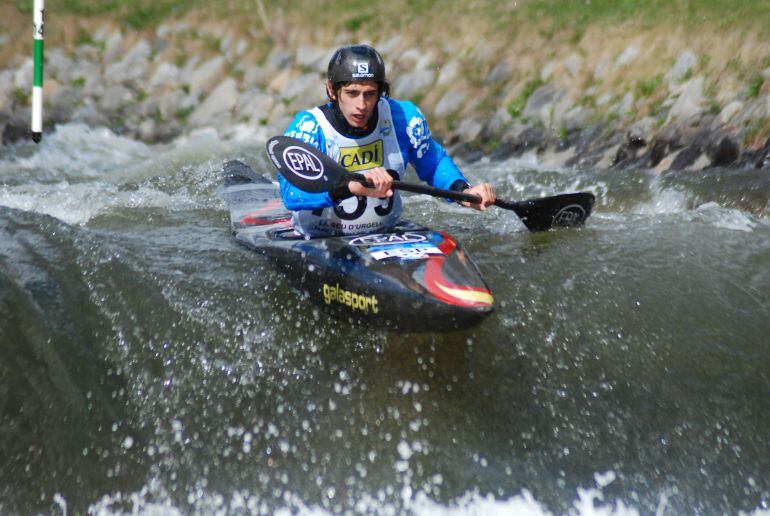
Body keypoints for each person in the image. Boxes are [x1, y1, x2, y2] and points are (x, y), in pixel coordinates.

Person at [279, 44, 496, 237]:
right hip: (320, 236)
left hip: (385, 234)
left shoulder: (403, 117)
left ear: (380, 92)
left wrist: (463, 190)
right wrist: (350, 187)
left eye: (370, 94)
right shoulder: (309, 128)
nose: (361, 105)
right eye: (352, 93)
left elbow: (433, 162)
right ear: (332, 90)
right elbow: (291, 193)